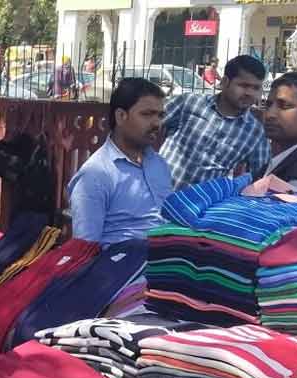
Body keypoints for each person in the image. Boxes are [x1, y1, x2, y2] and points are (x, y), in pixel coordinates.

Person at [67, 78, 173, 245]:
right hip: (122, 266)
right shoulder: (95, 175)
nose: (157, 123)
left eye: (160, 115)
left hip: (170, 261)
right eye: (147, 114)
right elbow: (84, 249)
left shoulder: (159, 164)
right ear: (121, 116)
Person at [160, 54, 269, 189]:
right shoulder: (189, 103)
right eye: (244, 85)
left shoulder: (255, 133)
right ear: (224, 82)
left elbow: (261, 179)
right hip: (154, 193)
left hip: (200, 205)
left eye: (256, 88)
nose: (250, 93)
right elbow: (147, 124)